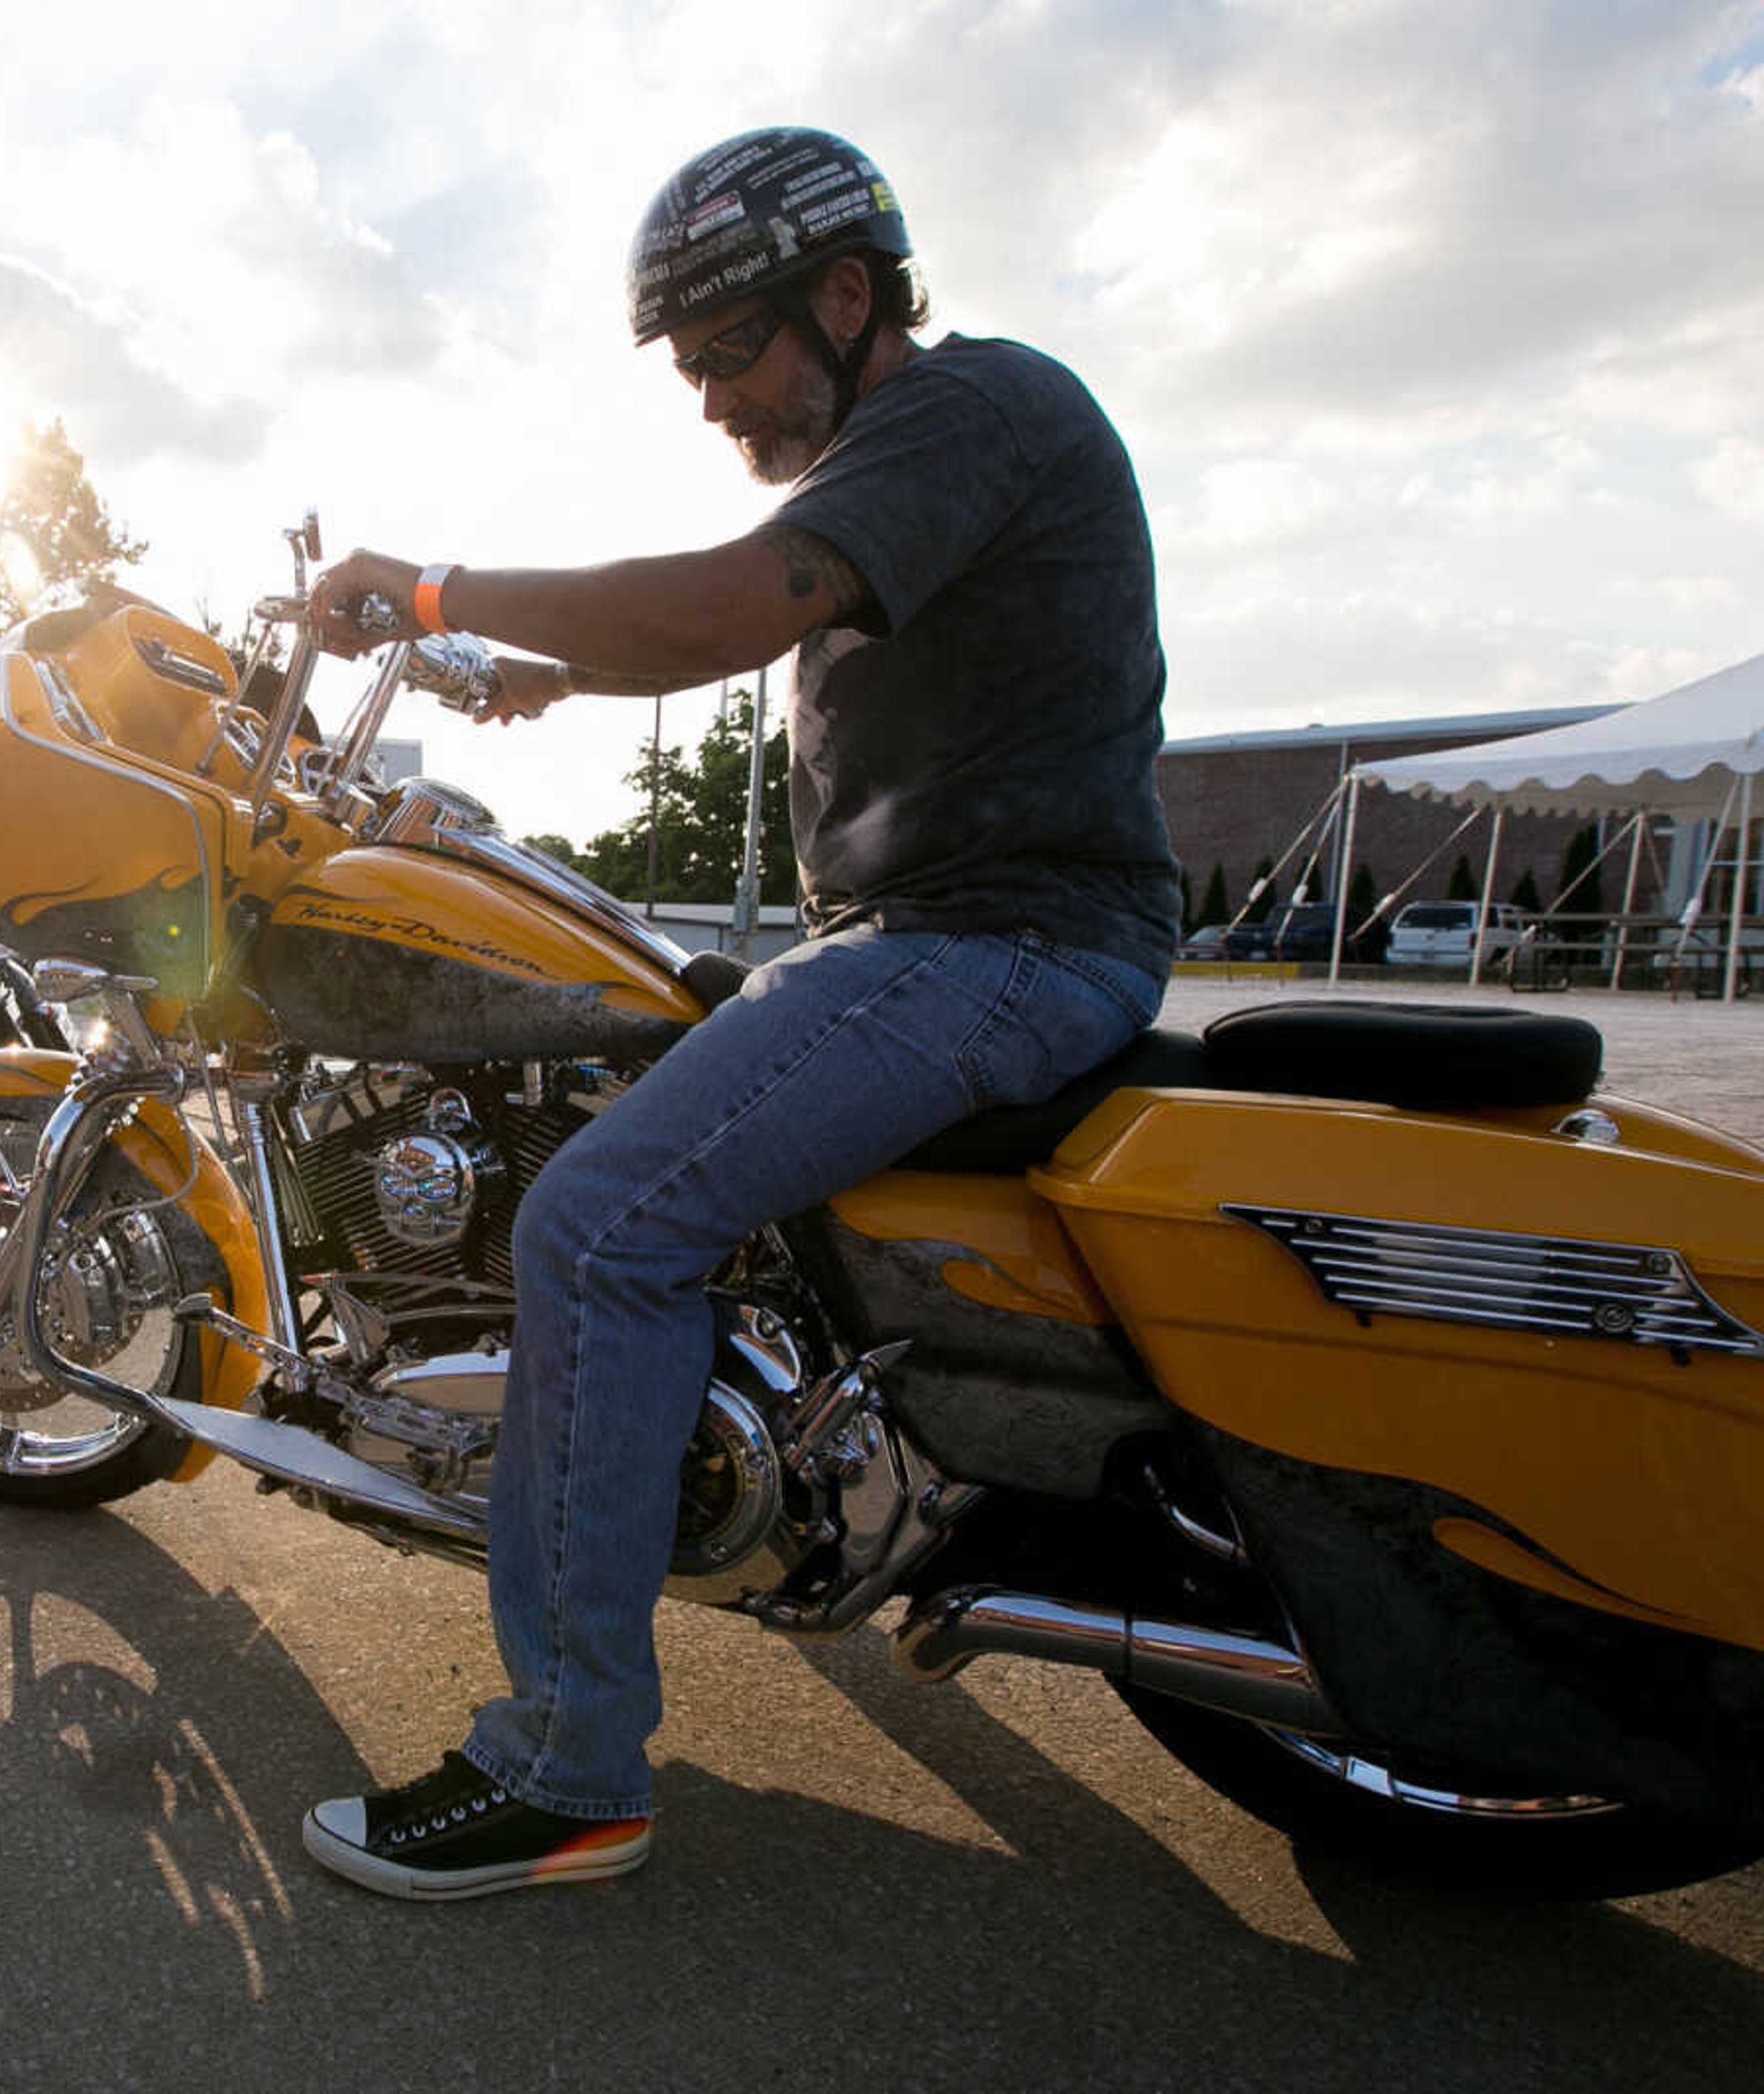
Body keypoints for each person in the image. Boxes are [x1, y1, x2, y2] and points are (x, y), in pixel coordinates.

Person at [296, 126, 1180, 1901]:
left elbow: (713, 604)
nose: (707, 397)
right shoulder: (900, 469)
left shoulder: (972, 407)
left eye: (725, 351)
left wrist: (436, 592)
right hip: (952, 936)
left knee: (600, 1225)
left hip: (998, 940)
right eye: (687, 365)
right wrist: (544, 670)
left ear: (847, 297)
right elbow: (715, 616)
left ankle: (566, 1764)